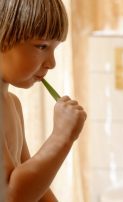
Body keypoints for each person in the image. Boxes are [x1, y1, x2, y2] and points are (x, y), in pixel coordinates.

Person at [0, 0, 87, 201]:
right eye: (42, 46)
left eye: (54, 49)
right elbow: (11, 196)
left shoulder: (13, 104)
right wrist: (62, 136)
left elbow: (33, 187)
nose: (52, 63)